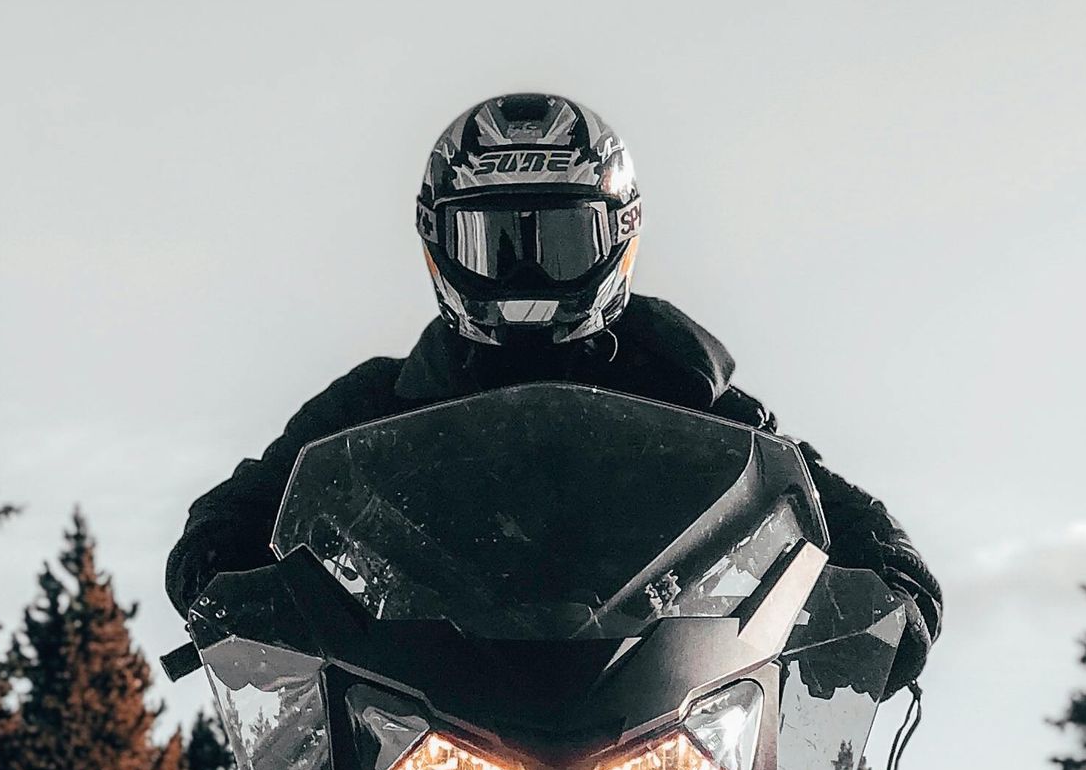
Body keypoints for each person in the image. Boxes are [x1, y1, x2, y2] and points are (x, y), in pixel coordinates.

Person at [166, 91, 941, 685]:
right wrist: (228, 584)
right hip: (417, 720)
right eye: (494, 244)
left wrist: (890, 590)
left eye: (562, 242)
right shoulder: (379, 404)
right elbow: (237, 512)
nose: (525, 273)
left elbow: (812, 496)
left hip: (666, 715)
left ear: (618, 236)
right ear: (439, 242)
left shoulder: (688, 393)